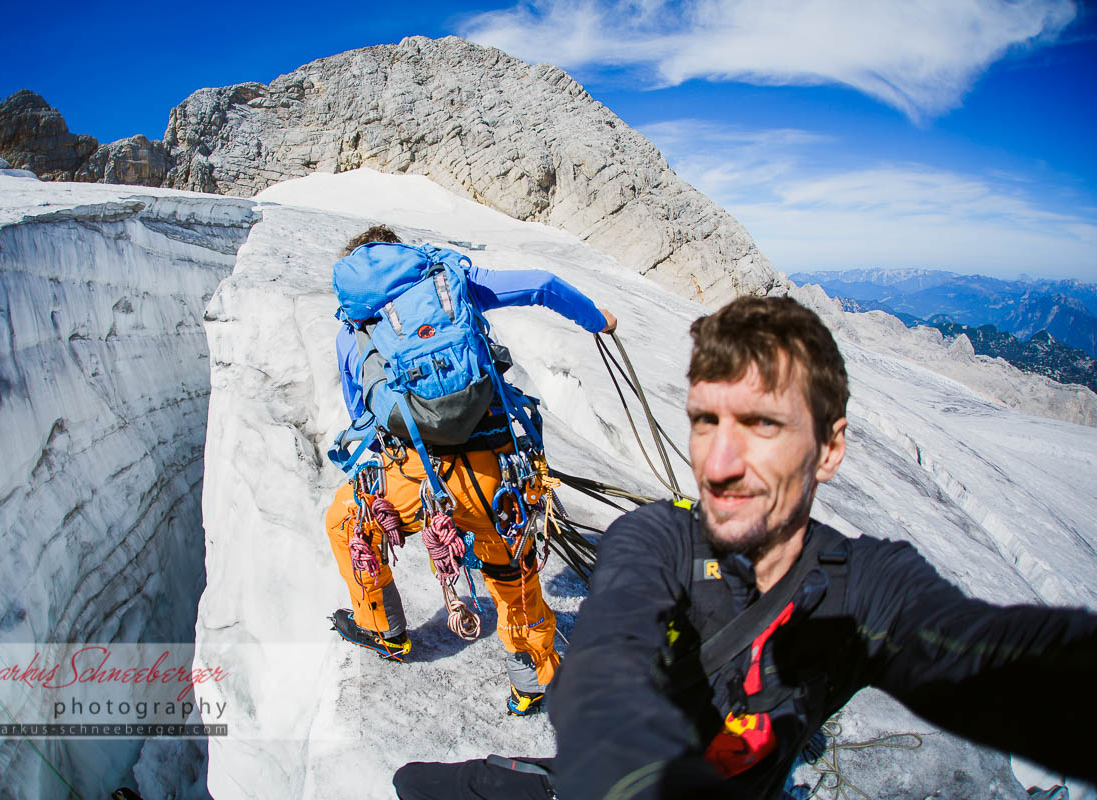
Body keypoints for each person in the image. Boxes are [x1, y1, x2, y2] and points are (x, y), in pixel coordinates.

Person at [393, 295, 1097, 799]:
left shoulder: (870, 586)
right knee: (411, 782)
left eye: (762, 425)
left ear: (828, 447)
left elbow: (997, 661)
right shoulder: (656, 539)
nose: (721, 462)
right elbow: (610, 660)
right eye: (706, 422)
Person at [324, 225, 617, 715]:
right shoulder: (451, 281)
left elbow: (363, 419)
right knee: (509, 567)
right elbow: (541, 283)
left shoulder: (354, 329)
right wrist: (597, 319)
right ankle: (533, 682)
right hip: (492, 471)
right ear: (402, 253)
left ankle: (384, 630)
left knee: (347, 523)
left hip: (415, 476)